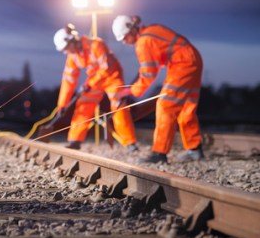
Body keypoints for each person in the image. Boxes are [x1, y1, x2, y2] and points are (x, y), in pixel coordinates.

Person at [112, 15, 204, 163]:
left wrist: (131, 92)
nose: (124, 42)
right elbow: (158, 59)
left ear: (130, 31)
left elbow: (148, 74)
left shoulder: (143, 42)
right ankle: (195, 149)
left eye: (124, 38)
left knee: (165, 105)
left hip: (182, 63)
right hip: (192, 58)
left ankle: (159, 153)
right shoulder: (150, 31)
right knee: (186, 107)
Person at [53, 24, 137, 151]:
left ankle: (130, 143)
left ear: (73, 40)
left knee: (118, 105)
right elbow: (68, 80)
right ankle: (75, 140)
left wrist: (89, 84)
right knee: (83, 104)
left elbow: (106, 67)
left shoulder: (96, 44)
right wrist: (62, 105)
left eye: (66, 48)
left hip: (112, 77)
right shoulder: (73, 56)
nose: (66, 52)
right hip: (95, 81)